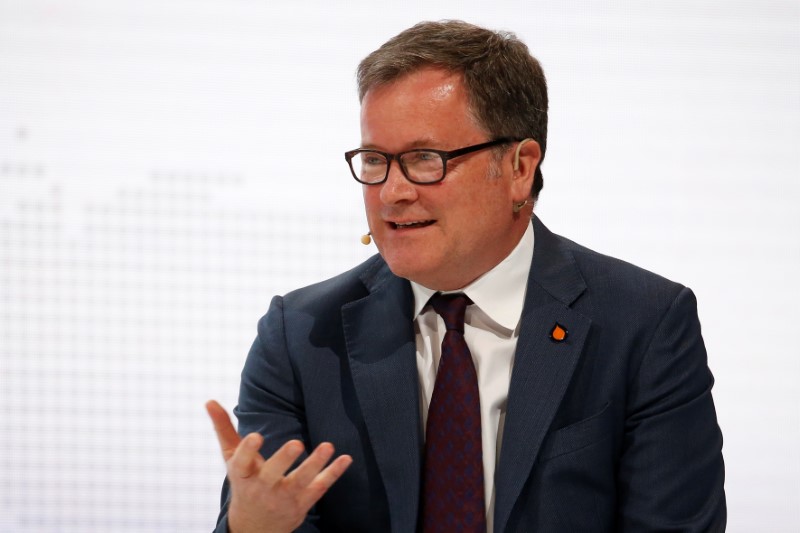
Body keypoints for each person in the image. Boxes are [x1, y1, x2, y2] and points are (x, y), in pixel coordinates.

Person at [207, 20, 726, 532]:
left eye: (424, 159)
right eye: (374, 160)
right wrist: (253, 528)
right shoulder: (301, 338)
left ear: (520, 167)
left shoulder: (644, 324)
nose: (392, 192)